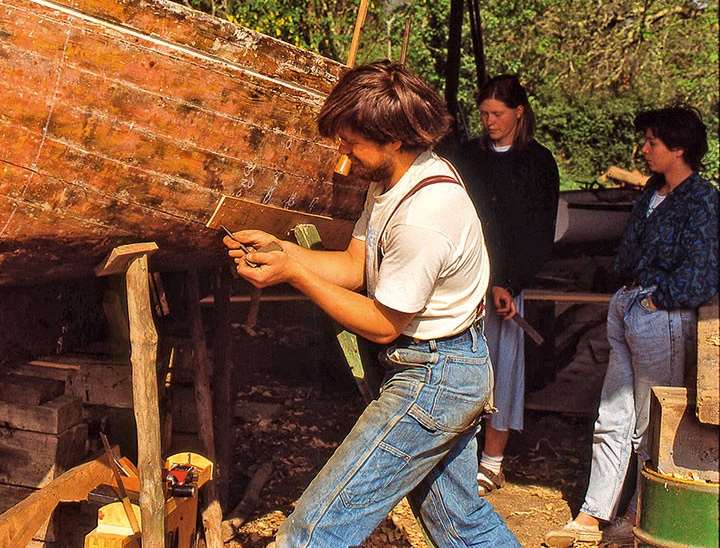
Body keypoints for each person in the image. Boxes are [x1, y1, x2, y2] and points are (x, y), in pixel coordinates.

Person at [223, 61, 520, 547]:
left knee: (316, 528)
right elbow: (358, 265)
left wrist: (295, 274)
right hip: (444, 367)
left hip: (435, 378)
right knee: (461, 523)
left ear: (394, 141)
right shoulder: (392, 182)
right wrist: (285, 251)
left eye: (352, 143)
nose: (342, 154)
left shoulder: (424, 215)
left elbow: (382, 324)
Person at [544, 105, 719, 547]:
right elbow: (630, 251)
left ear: (679, 148)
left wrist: (661, 299)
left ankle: (639, 515)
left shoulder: (703, 200)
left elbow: (702, 273)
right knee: (612, 416)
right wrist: (625, 288)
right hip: (629, 307)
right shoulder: (652, 193)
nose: (644, 150)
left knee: (649, 423)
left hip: (661, 317)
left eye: (652, 143)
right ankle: (593, 514)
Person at [455, 75, 559, 496]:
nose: (490, 121)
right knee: (460, 366)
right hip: (462, 278)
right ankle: (453, 455)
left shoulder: (538, 163)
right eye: (483, 114)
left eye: (497, 114)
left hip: (507, 285)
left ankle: (492, 462)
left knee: (504, 368)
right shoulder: (465, 157)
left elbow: (539, 233)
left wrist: (509, 282)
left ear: (519, 112)